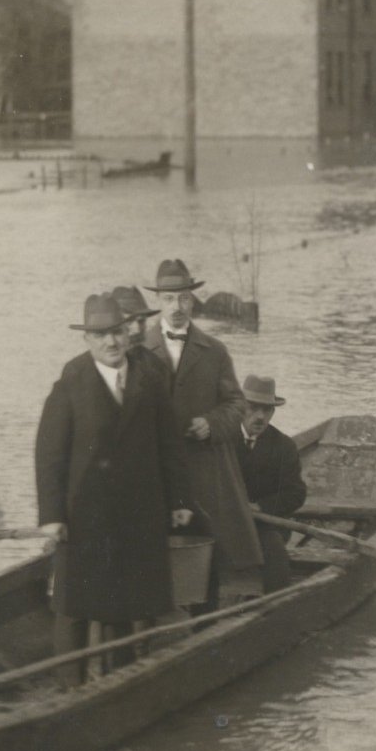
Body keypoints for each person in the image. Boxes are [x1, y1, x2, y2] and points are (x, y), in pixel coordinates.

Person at [36, 294, 193, 686]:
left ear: (129, 334)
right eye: (101, 335)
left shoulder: (148, 378)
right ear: (87, 339)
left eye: (118, 333)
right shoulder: (71, 383)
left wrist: (178, 500)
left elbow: (169, 443)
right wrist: (52, 516)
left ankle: (119, 682)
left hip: (137, 511)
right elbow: (48, 454)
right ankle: (68, 688)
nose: (111, 343)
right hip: (83, 515)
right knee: (74, 606)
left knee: (126, 601)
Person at [142, 258, 263, 609]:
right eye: (168, 299)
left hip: (205, 469)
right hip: (157, 472)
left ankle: (206, 616)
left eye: (183, 299)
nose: (176, 307)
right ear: (158, 302)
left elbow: (236, 404)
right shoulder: (138, 351)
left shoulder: (214, 351)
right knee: (156, 546)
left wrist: (211, 424)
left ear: (193, 301)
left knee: (208, 547)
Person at [235, 375, 307, 593]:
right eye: (253, 408)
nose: (259, 416)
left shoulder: (283, 446)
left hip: (263, 524)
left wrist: (260, 507)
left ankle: (273, 609)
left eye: (266, 410)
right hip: (223, 520)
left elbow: (295, 493)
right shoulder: (220, 438)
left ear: (273, 412)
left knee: (275, 556)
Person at [109, 285, 158, 351]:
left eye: (141, 321)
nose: (137, 330)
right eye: (129, 321)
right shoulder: (97, 359)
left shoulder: (151, 357)